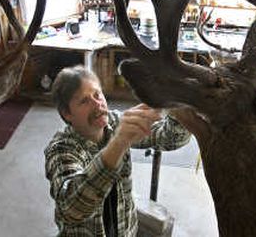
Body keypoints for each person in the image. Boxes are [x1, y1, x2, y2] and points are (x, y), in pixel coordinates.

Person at [44, 65, 192, 237]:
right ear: (67, 114)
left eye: (97, 94)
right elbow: (72, 208)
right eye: (84, 101)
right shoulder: (62, 149)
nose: (97, 104)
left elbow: (171, 138)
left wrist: (179, 104)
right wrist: (119, 142)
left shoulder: (115, 122)